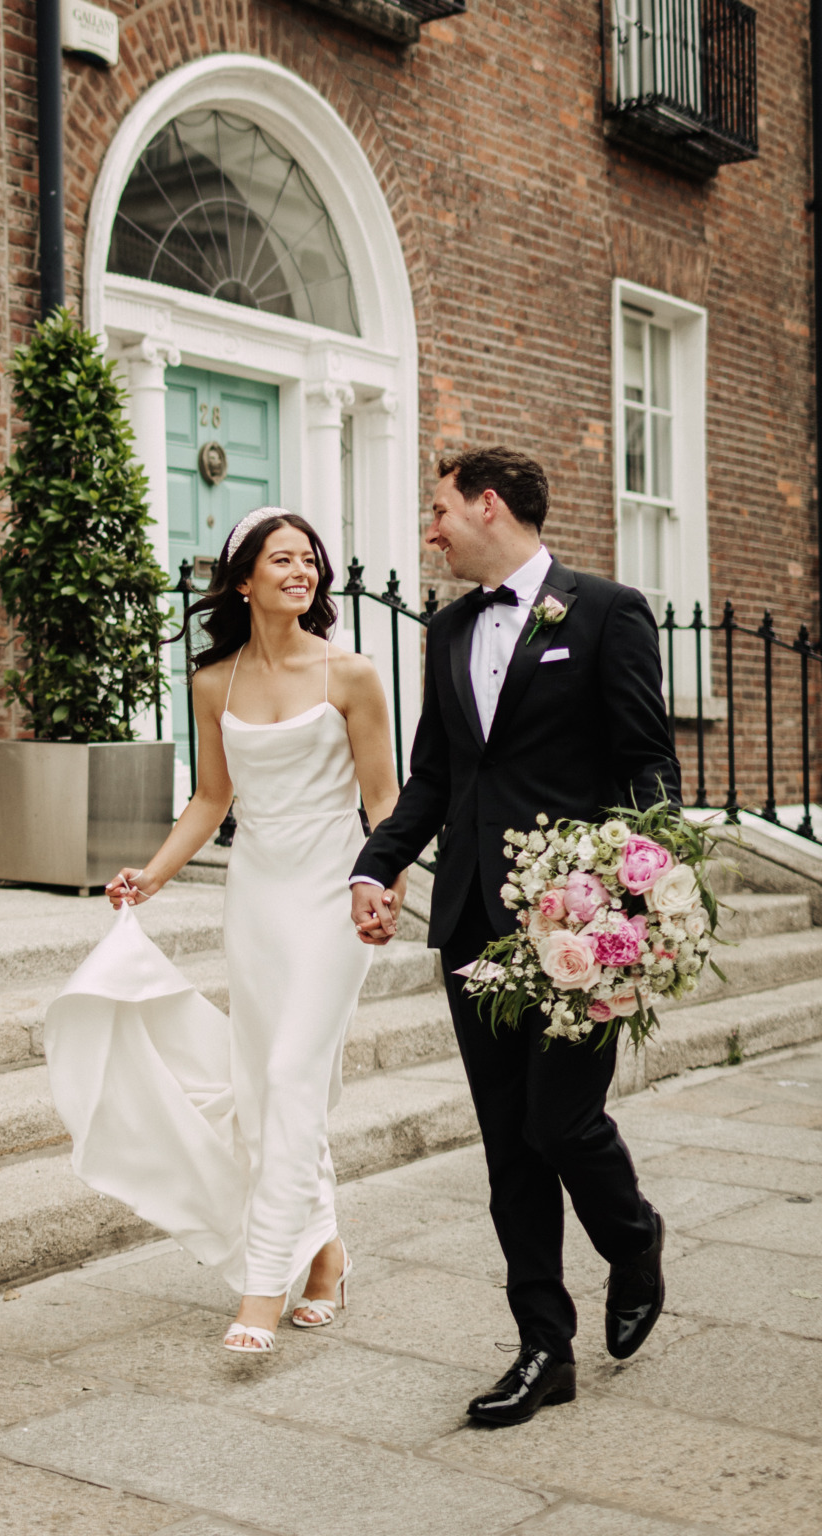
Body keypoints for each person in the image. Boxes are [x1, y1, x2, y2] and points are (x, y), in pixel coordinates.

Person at [349, 447, 681, 1426]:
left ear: (488, 505)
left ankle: (632, 1239)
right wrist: (377, 864)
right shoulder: (450, 626)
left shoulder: (607, 613)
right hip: (471, 928)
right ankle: (544, 1347)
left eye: (439, 509)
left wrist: (642, 895)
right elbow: (434, 777)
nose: (430, 529)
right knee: (507, 1145)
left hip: (579, 924)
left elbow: (646, 765)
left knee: (562, 1120)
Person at [45, 507, 405, 1355]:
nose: (302, 572)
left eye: (310, 560)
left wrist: (384, 881)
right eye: (282, 560)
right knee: (268, 1084)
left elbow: (386, 801)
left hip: (332, 899)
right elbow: (212, 800)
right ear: (243, 580)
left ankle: (260, 1286)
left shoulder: (351, 675)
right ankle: (328, 1258)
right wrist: (153, 874)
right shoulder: (215, 683)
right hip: (257, 901)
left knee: (287, 1072)